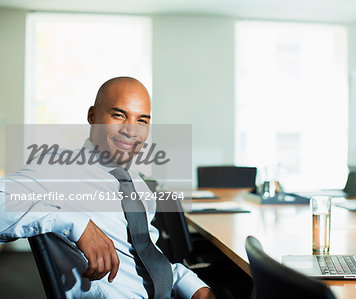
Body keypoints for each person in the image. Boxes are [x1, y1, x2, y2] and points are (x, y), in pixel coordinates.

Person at [0, 77, 215, 299]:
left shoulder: (137, 185)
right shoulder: (58, 168)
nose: (131, 131)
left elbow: (146, 258)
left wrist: (189, 283)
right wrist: (76, 224)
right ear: (92, 116)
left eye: (142, 121)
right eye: (119, 115)